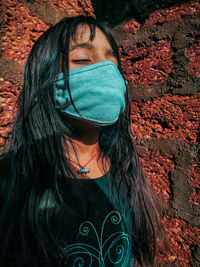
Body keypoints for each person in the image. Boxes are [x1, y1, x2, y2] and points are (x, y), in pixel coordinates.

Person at [0, 15, 167, 267]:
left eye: (113, 63)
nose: (107, 73)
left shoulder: (126, 173)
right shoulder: (9, 180)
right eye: (82, 59)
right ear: (44, 74)